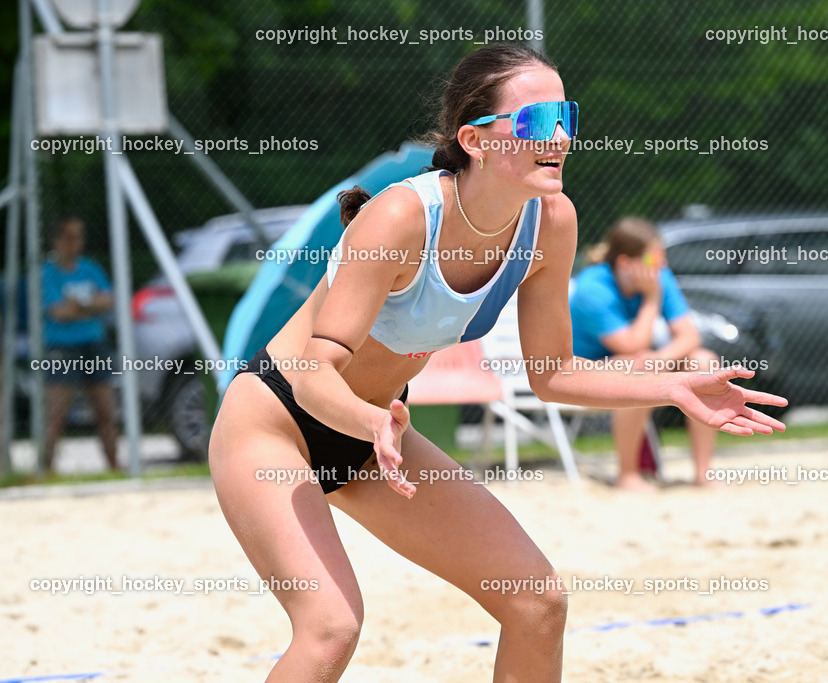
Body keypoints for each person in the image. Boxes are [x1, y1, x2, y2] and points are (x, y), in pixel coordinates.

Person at [209, 44, 786, 682]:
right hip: (275, 424)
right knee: (329, 628)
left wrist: (671, 386)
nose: (560, 137)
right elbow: (314, 370)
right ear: (476, 140)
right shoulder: (400, 216)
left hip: (376, 436)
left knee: (536, 602)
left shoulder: (550, 223)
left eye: (566, 116)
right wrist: (367, 421)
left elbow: (554, 372)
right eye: (538, 121)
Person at [570, 217, 721, 491]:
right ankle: (628, 475)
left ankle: (703, 474)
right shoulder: (592, 287)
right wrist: (652, 299)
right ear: (626, 263)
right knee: (639, 369)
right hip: (582, 374)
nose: (661, 264)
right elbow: (630, 346)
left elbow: (689, 336)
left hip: (639, 362)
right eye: (654, 259)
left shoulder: (659, 275)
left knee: (704, 362)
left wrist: (660, 360)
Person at [41, 215, 119, 473]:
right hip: (62, 348)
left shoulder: (90, 268)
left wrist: (80, 307)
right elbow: (58, 312)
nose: (75, 243)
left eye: (79, 236)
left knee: (105, 411)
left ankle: (113, 465)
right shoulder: (48, 273)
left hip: (93, 344)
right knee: (57, 414)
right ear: (57, 241)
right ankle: (46, 468)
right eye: (69, 237)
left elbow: (108, 301)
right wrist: (90, 306)